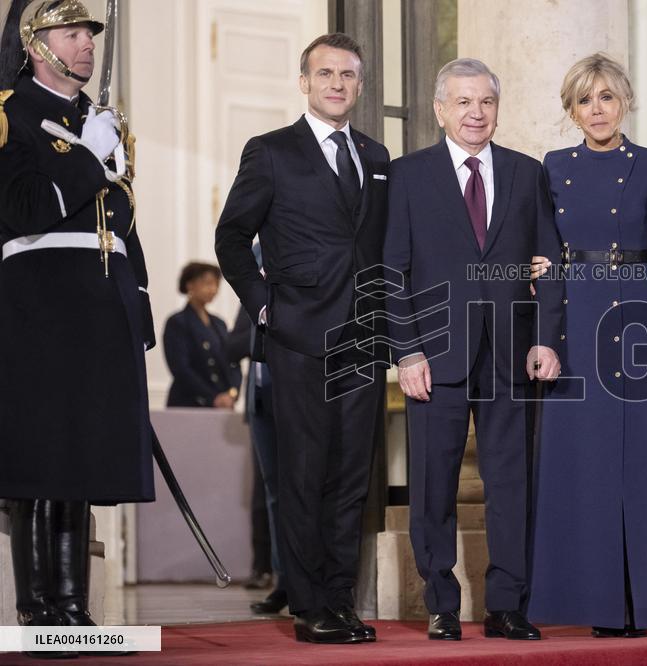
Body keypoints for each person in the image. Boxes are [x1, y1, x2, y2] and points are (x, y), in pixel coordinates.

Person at [215, 32, 388, 644]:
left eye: (348, 74)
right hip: (298, 338)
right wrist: (264, 306)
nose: (337, 83)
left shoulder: (376, 155)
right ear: (304, 82)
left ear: (360, 86)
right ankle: (309, 605)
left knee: (351, 477)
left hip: (363, 339)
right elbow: (231, 239)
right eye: (325, 73)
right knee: (304, 475)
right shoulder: (270, 151)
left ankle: (341, 599)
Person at [383, 58, 563, 642]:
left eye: (485, 101)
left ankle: (507, 605)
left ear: (497, 108)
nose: (475, 113)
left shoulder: (526, 173)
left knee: (510, 485)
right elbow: (391, 272)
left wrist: (546, 337)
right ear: (440, 110)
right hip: (433, 356)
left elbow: (550, 265)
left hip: (511, 353)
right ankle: (440, 603)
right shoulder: (408, 175)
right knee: (432, 485)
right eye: (462, 102)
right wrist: (407, 352)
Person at [0, 0, 155, 657]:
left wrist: (138, 305)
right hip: (39, 306)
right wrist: (88, 156)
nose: (87, 44)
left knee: (82, 460)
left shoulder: (97, 120)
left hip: (99, 307)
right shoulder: (11, 113)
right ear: (36, 45)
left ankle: (72, 609)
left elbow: (123, 224)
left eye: (90, 34)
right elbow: (23, 208)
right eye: (72, 33)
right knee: (43, 461)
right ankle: (39, 614)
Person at [525, 53, 647, 638]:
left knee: (634, 466)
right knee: (579, 464)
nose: (597, 109)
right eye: (584, 100)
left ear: (625, 103)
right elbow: (545, 256)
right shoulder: (553, 166)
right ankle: (584, 603)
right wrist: (544, 336)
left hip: (636, 321)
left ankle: (631, 608)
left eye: (607, 97)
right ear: (571, 110)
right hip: (575, 320)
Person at [225, 244, 287, 614]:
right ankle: (283, 580)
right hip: (260, 396)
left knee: (304, 489)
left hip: (296, 388)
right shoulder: (255, 254)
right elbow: (232, 344)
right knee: (273, 494)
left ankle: (310, 580)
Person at [163, 261, 242, 408]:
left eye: (216, 284)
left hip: (221, 405)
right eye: (207, 283)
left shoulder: (219, 323)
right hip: (188, 404)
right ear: (190, 285)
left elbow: (232, 360)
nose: (213, 289)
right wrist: (213, 397)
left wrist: (232, 393)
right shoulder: (177, 322)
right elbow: (180, 368)